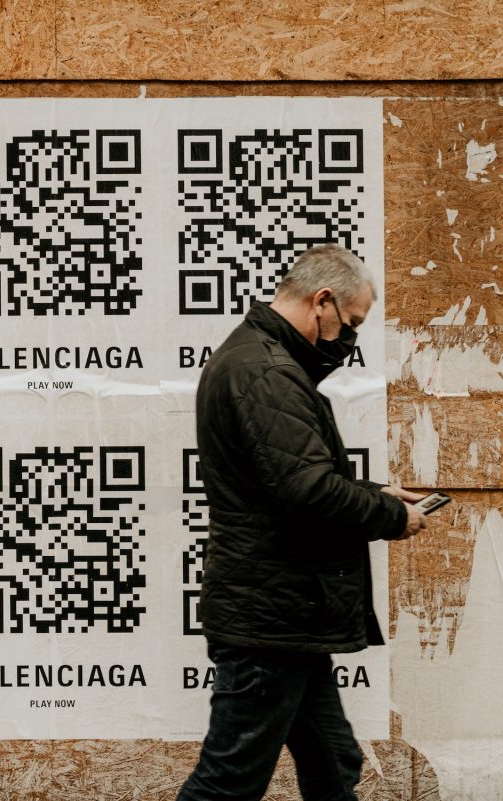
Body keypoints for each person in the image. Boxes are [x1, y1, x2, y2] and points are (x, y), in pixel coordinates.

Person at [177, 244, 428, 801]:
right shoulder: (266, 372)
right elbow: (306, 489)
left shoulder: (261, 361)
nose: (348, 339)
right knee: (228, 781)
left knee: (333, 763)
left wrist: (370, 491)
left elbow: (283, 480)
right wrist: (391, 515)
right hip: (270, 617)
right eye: (351, 323)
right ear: (323, 301)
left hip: (285, 612)